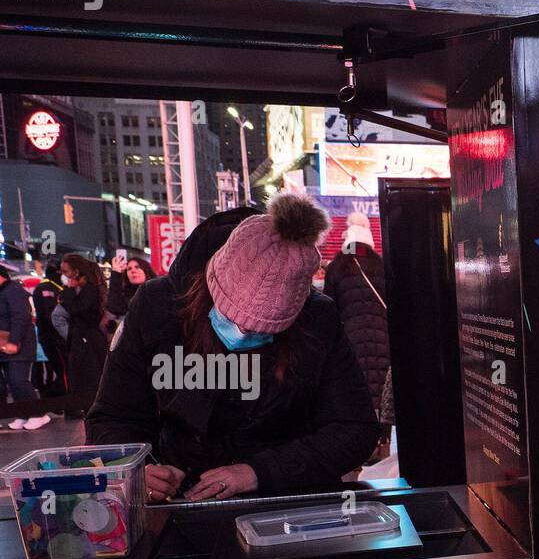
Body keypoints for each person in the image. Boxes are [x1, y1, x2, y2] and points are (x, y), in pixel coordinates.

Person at [88, 193, 382, 503]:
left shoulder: (318, 318)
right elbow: (111, 418)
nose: (244, 333)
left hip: (283, 503)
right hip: (180, 503)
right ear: (212, 281)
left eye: (264, 329)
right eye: (235, 318)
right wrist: (140, 470)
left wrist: (259, 472)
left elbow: (355, 428)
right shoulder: (157, 306)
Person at [323, 211, 390, 417]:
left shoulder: (336, 267)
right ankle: (383, 438)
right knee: (380, 386)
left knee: (357, 386)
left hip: (350, 338)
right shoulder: (381, 265)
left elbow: (329, 307)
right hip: (382, 337)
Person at [57, 253, 110, 419]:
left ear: (77, 271)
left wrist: (69, 291)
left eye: (66, 271)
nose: (64, 276)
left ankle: (95, 415)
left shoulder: (90, 290)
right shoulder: (85, 289)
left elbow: (77, 309)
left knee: (90, 382)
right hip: (82, 342)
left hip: (89, 343)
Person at [0, 265, 48, 430]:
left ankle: (38, 414)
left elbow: (20, 317)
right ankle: (23, 414)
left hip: (19, 345)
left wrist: (14, 341)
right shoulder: (5, 291)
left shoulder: (13, 290)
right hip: (5, 345)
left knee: (18, 380)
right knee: (12, 382)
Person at [31, 257, 66, 395]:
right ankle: (52, 398)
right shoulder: (46, 288)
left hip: (55, 338)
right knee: (64, 371)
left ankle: (56, 399)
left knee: (63, 370)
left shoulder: (56, 287)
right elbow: (50, 316)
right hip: (54, 339)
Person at [105, 250, 155, 335]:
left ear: (146, 270)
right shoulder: (127, 295)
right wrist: (116, 272)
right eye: (129, 269)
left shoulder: (158, 291)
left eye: (137, 267)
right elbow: (114, 307)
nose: (133, 271)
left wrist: (178, 349)